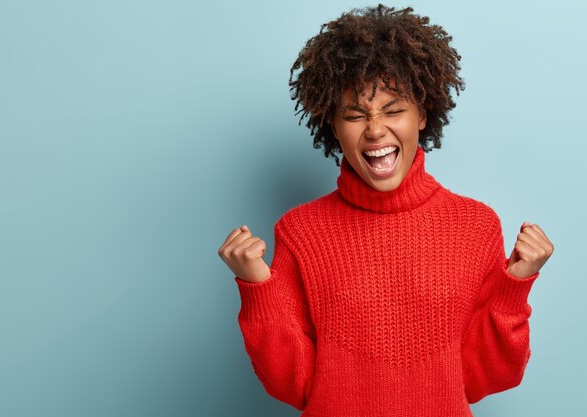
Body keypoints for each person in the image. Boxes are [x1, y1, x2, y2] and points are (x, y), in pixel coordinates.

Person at [218, 4, 554, 416]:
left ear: (423, 115)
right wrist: (257, 289)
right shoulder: (300, 231)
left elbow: (483, 376)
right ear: (333, 126)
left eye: (394, 110)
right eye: (356, 115)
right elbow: (295, 385)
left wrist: (515, 284)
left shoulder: (476, 226)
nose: (376, 129)